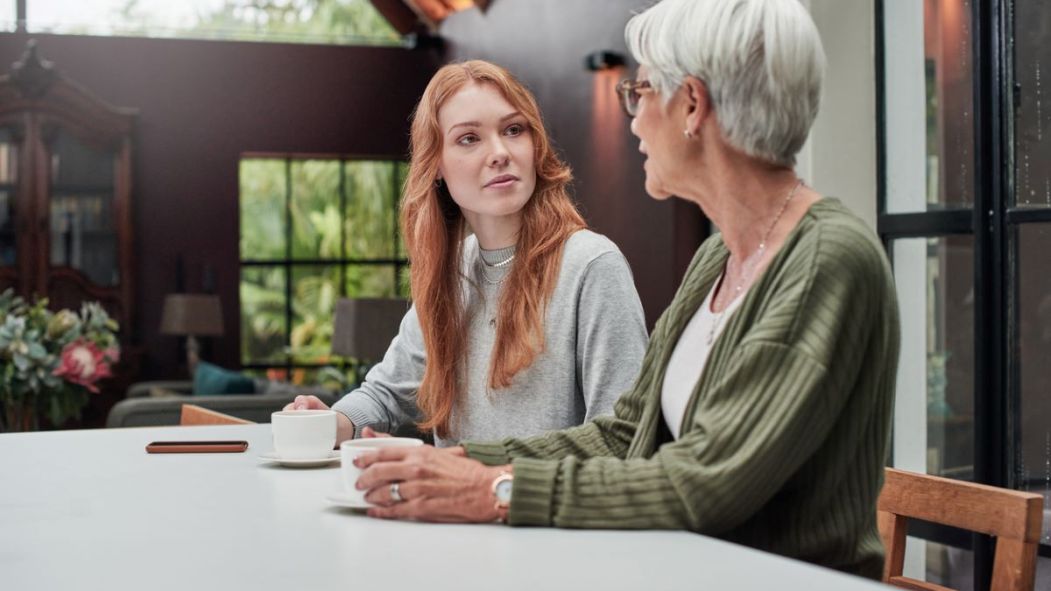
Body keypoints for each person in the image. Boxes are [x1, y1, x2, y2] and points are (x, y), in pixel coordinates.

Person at [352, 0, 900, 579]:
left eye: (639, 93)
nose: (633, 118)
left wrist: (496, 488)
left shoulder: (825, 261)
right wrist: (460, 465)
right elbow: (624, 433)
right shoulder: (721, 255)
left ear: (692, 105)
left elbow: (705, 482)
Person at [287, 60, 648, 448]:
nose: (499, 153)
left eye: (513, 130)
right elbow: (386, 393)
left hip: (538, 507)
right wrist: (331, 421)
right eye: (469, 138)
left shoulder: (591, 264)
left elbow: (621, 439)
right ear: (436, 164)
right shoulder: (453, 269)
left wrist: (484, 480)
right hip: (445, 509)